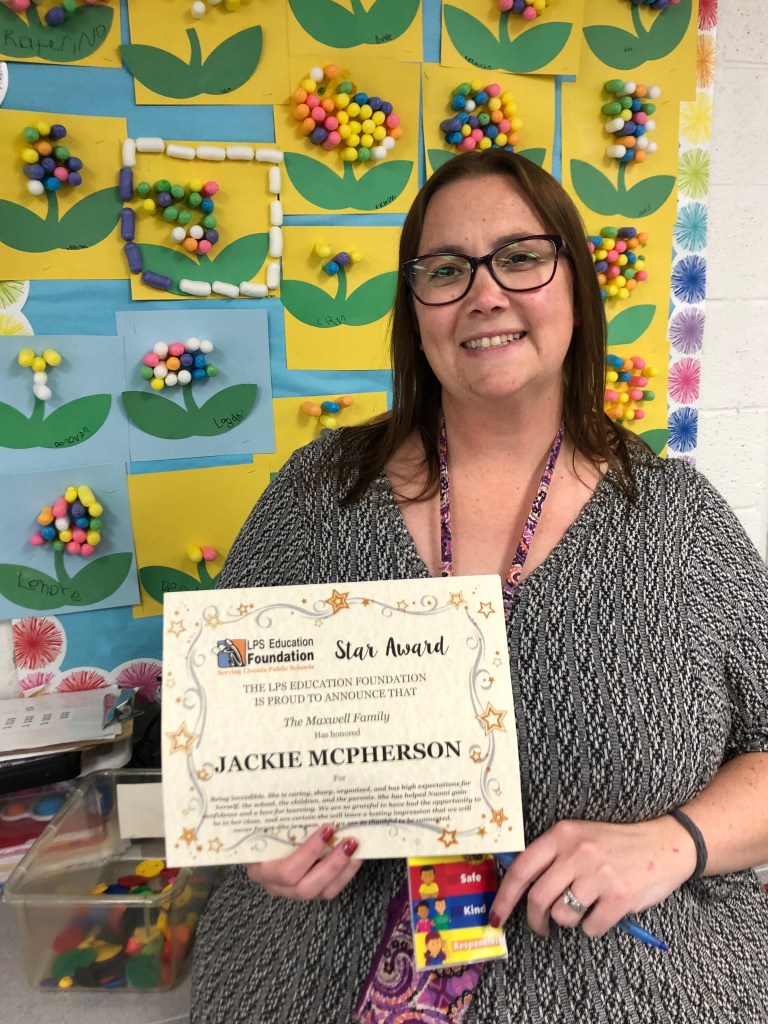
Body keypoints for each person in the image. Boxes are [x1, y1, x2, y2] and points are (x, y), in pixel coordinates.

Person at [191, 149, 768, 1023]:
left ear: (576, 285)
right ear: (414, 308)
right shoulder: (319, 495)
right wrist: (249, 836)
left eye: (521, 257)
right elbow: (217, 732)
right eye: (445, 270)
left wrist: (675, 843)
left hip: (627, 983)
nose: (484, 294)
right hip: (311, 978)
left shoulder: (678, 522)